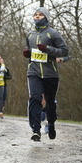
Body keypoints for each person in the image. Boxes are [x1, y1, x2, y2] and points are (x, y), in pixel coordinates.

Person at [22, 7, 69, 141]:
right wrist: (28, 54)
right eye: (35, 15)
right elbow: (30, 52)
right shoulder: (30, 34)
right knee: (35, 98)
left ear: (46, 17)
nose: (37, 17)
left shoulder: (52, 34)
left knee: (50, 101)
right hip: (33, 71)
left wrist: (48, 49)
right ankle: (36, 130)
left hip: (50, 73)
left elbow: (64, 51)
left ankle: (51, 122)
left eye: (40, 15)